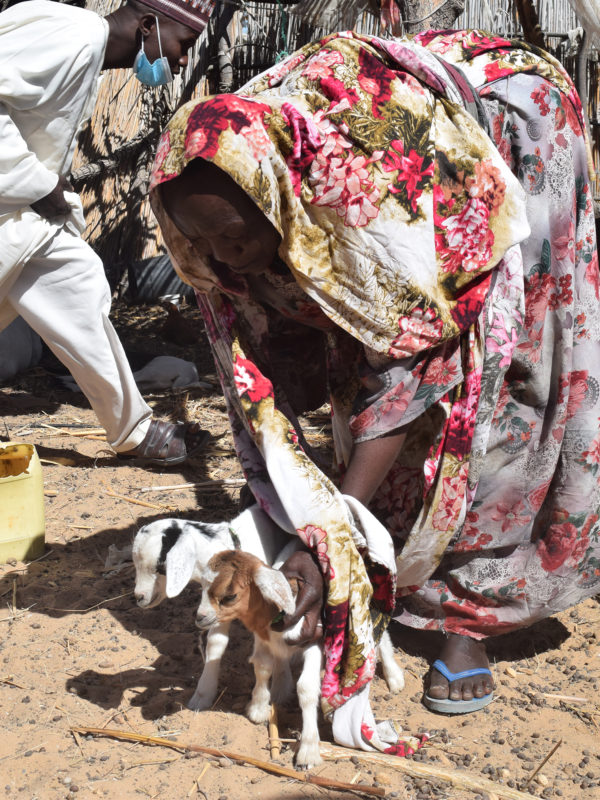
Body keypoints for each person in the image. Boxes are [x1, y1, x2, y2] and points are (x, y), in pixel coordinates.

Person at [148, 28, 600, 750]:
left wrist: (338, 529)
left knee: (500, 389)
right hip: (364, 149)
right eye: (198, 243)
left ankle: (465, 612)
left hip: (502, 137)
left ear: (282, 202)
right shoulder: (217, 189)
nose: (215, 260)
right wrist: (291, 499)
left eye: (232, 242)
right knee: (347, 379)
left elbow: (409, 368)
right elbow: (257, 366)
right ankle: (385, 547)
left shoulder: (372, 206)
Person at [0, 0, 216, 465]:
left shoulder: (82, 46)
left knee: (77, 284)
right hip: (17, 208)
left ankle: (135, 431)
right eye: (183, 46)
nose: (181, 62)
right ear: (147, 24)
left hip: (17, 214)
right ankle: (135, 433)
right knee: (78, 281)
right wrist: (38, 183)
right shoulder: (73, 37)